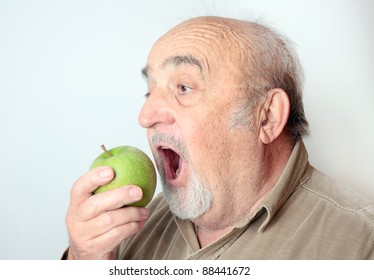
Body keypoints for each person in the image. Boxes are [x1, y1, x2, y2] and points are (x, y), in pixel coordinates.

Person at [64, 16, 374, 260]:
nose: (145, 116)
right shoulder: (124, 227)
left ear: (266, 116)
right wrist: (83, 261)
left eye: (183, 87)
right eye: (149, 91)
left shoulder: (361, 245)